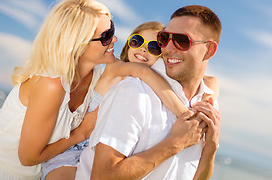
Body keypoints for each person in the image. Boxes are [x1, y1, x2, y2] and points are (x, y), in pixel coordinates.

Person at [0, 0, 119, 180]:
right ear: (77, 44)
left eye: (112, 29)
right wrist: (81, 133)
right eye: (106, 36)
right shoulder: (51, 84)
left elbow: (133, 70)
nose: (115, 39)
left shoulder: (95, 76)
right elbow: (28, 157)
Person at [44, 21, 219, 179]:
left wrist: (210, 96)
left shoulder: (150, 85)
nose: (143, 49)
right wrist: (189, 116)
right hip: (74, 147)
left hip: (100, 149)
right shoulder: (116, 67)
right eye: (137, 41)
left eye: (154, 47)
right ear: (128, 45)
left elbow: (212, 80)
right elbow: (144, 73)